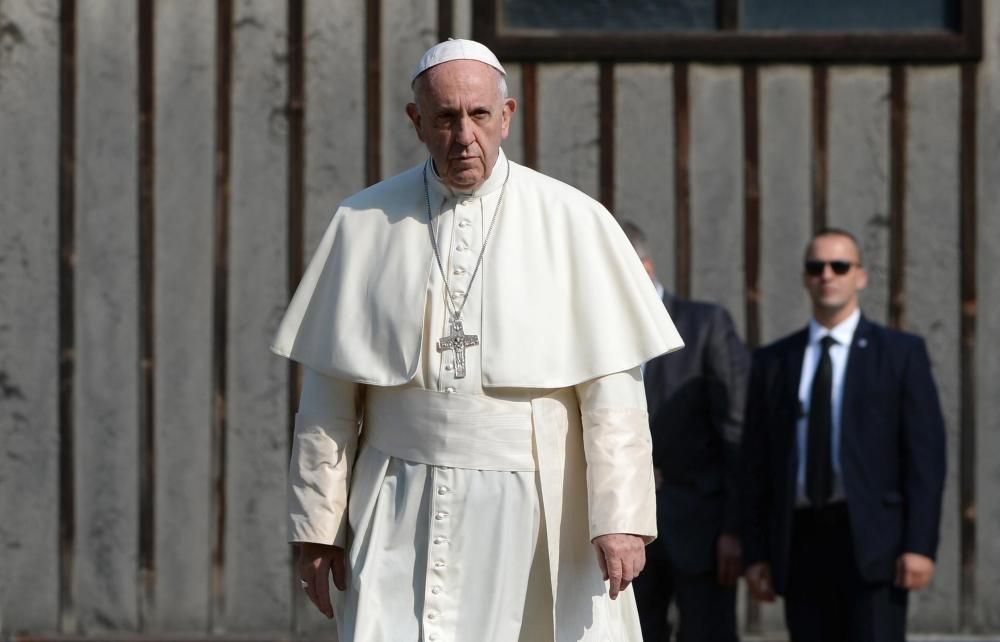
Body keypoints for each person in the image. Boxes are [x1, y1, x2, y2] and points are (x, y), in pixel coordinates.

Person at [270, 39, 684, 642]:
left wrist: (621, 519)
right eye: (444, 118)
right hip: (398, 501)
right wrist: (317, 526)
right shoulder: (362, 224)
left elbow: (613, 399)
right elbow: (328, 402)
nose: (464, 135)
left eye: (479, 115)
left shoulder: (574, 220)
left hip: (537, 507)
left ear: (507, 116)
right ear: (417, 122)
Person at [741, 228, 946, 642]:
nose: (827, 275)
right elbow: (755, 462)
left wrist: (919, 545)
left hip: (874, 543)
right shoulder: (775, 361)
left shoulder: (900, 354)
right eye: (816, 267)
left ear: (861, 276)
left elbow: (925, 456)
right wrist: (757, 552)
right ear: (805, 277)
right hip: (800, 541)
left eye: (839, 266)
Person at [621, 221, 748, 642]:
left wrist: (734, 528)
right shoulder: (594, 335)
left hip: (702, 525)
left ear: (646, 266)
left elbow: (736, 430)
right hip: (624, 531)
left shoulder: (704, 324)